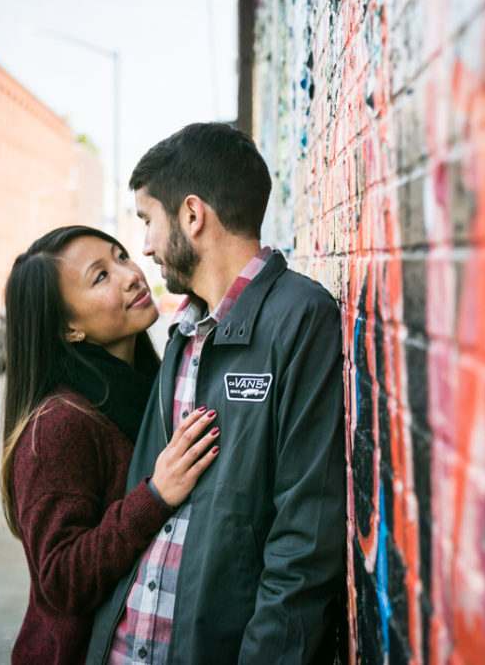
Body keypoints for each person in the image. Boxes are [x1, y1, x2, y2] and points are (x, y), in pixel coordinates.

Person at [86, 123, 346, 664]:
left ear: (192, 215)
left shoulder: (299, 317)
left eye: (148, 220)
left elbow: (304, 537)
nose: (147, 246)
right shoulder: (181, 333)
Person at [0, 226, 222, 665]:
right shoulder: (59, 424)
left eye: (120, 256)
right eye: (99, 276)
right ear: (69, 327)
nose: (130, 275)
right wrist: (154, 497)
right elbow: (61, 579)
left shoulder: (149, 385)